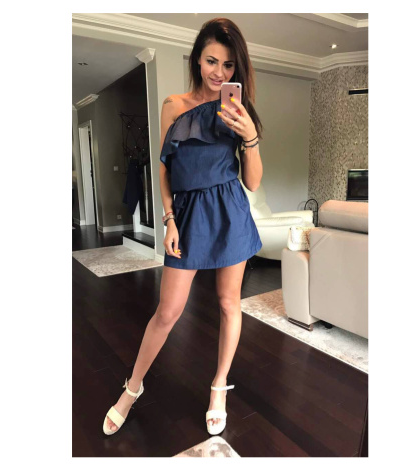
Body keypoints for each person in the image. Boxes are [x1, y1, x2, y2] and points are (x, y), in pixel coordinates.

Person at [103, 17, 264, 437]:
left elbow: (252, 182)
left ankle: (219, 387)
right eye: (212, 61)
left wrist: (250, 136)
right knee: (168, 311)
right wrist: (169, 218)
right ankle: (132, 387)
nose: (219, 72)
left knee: (229, 304)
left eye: (228, 65)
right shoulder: (174, 105)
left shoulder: (238, 111)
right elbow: (164, 168)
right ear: (196, 59)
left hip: (230, 213)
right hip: (188, 216)